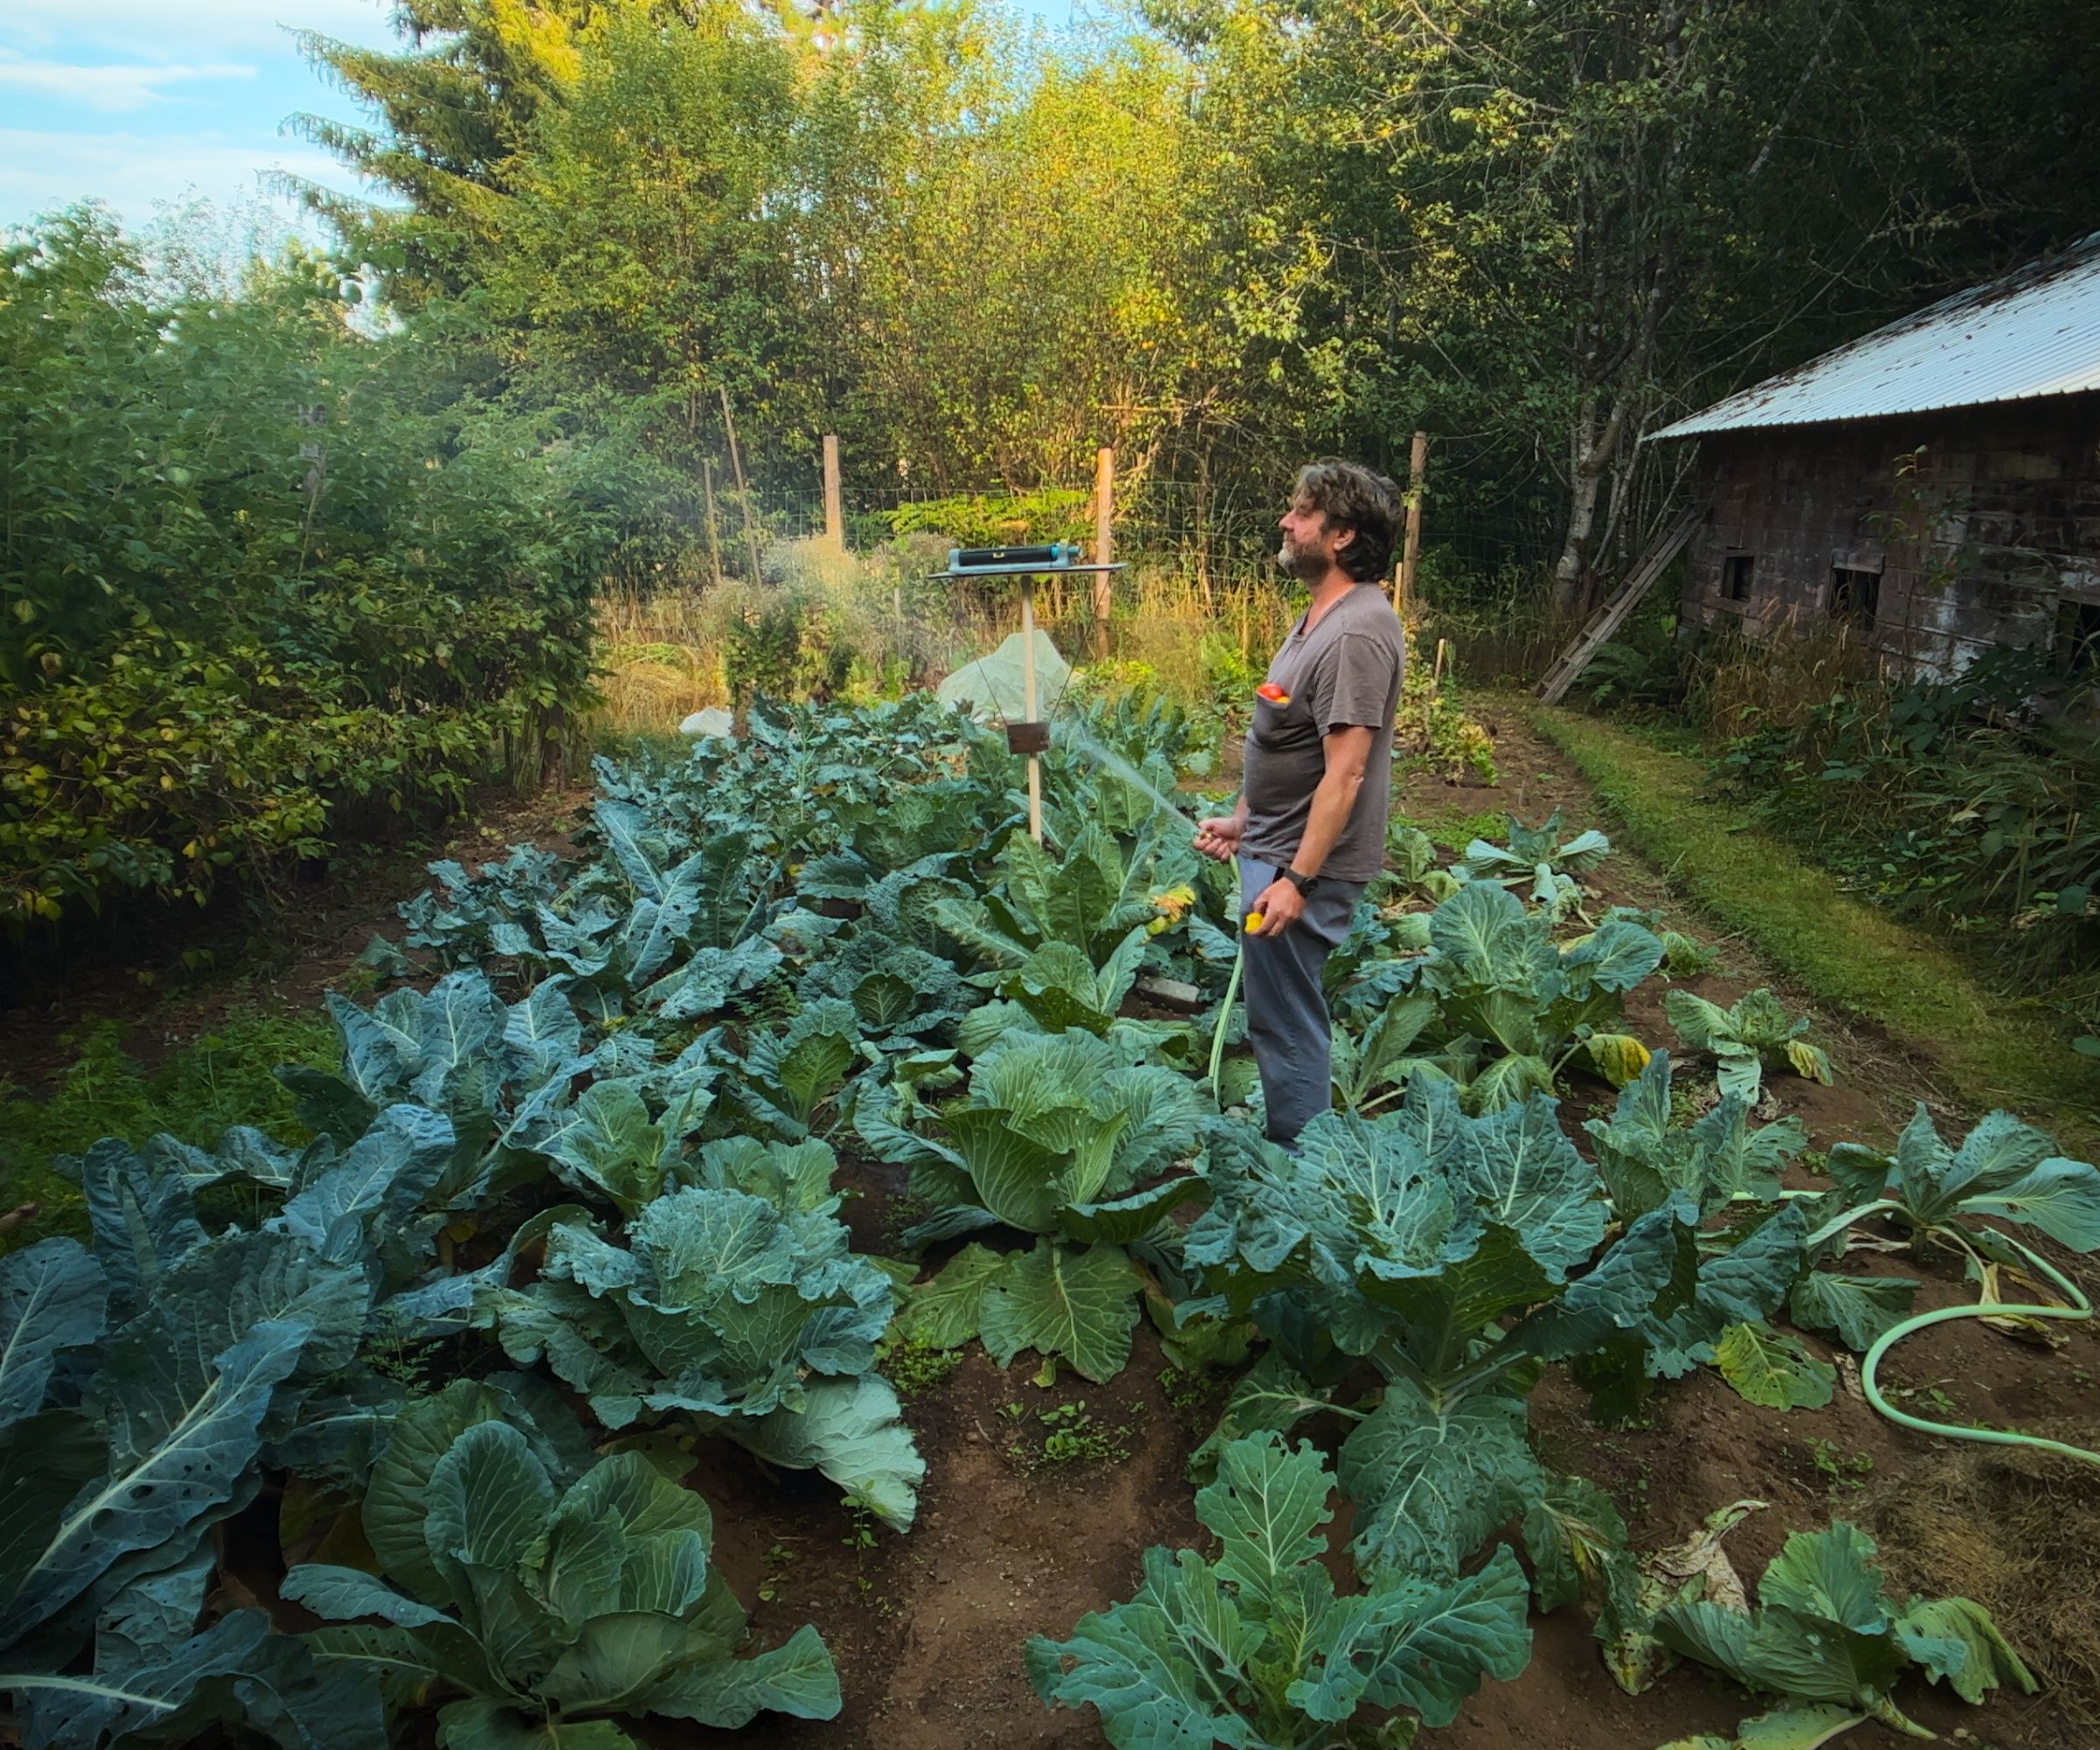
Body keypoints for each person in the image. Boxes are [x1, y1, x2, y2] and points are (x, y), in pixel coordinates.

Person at [1194, 459, 1406, 1145]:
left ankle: (1302, 1166)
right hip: (1275, 847)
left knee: (1287, 1024)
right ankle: (1298, 1145)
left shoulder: (1354, 635)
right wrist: (1244, 821)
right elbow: (1289, 739)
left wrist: (1296, 881)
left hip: (1298, 867)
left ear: (1342, 536)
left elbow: (1346, 772)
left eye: (1303, 513)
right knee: (1276, 1015)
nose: (1286, 522)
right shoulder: (1320, 616)